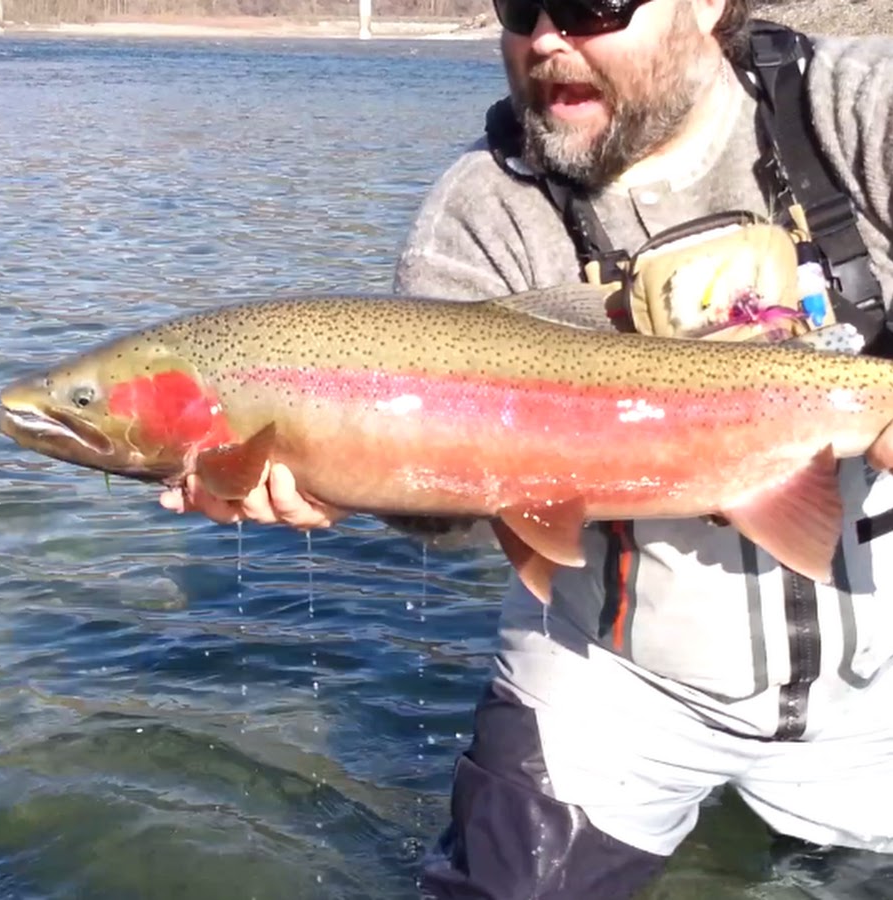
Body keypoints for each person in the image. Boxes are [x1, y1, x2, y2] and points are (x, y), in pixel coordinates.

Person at [161, 0, 893, 896]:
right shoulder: (481, 213)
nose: (546, 37)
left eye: (592, 4)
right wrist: (344, 475)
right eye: (519, 6)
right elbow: (450, 520)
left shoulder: (853, 107)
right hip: (610, 676)